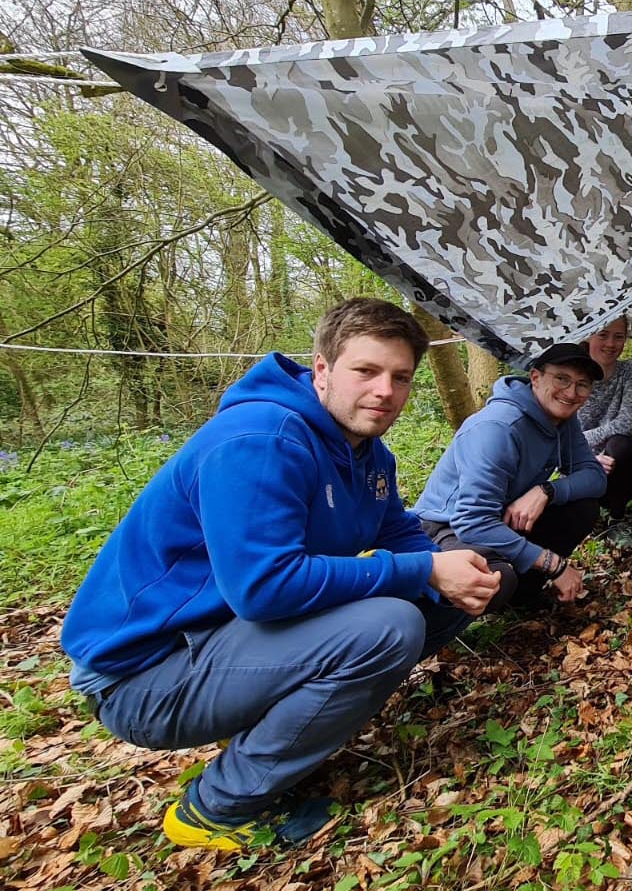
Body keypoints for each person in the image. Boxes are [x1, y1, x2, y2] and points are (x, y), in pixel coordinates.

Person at [60, 298, 500, 851]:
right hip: (144, 675)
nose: (385, 391)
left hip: (221, 642)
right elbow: (263, 589)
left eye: (400, 376)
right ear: (322, 369)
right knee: (389, 624)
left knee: (438, 598)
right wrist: (421, 568)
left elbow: (399, 534)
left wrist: (454, 565)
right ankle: (212, 811)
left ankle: (280, 733)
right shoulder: (261, 438)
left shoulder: (368, 454)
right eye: (365, 370)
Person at [412, 343, 605, 611]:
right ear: (536, 377)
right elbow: (473, 521)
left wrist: (546, 490)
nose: (572, 393)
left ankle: (523, 599)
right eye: (562, 379)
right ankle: (436, 613)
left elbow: (595, 477)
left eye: (582, 385)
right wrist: (554, 564)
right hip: (446, 528)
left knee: (582, 507)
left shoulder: (562, 418)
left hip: (501, 515)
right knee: (495, 579)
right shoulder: (498, 428)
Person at [578, 315, 632, 542]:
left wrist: (587, 445)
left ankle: (617, 517)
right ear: (589, 335)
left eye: (618, 337)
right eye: (603, 335)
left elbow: (628, 423)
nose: (610, 344)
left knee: (621, 443)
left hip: (617, 462)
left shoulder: (631, 370)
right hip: (579, 462)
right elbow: (562, 433)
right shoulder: (573, 374)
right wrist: (588, 455)